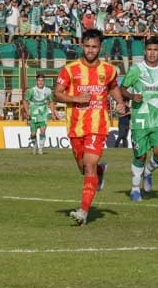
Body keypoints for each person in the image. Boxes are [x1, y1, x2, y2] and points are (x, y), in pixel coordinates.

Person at [54, 29, 125, 226]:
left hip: (98, 125)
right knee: (83, 168)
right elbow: (57, 93)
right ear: (81, 46)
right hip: (76, 127)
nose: (90, 50)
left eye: (94, 46)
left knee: (89, 165)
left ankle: (83, 211)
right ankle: (100, 172)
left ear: (100, 47)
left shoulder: (109, 70)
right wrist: (75, 98)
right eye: (87, 46)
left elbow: (113, 87)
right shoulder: (70, 69)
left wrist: (119, 102)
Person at [120, 38, 158, 201]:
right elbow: (122, 89)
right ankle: (135, 189)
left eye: (155, 50)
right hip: (140, 120)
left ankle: (148, 171)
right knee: (140, 156)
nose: (152, 53)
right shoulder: (136, 69)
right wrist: (131, 96)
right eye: (149, 50)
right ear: (145, 51)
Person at [22, 73, 58, 155]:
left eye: (42, 80)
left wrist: (52, 113)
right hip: (33, 114)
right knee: (33, 133)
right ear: (36, 81)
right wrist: (27, 111)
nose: (40, 82)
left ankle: (40, 149)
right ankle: (35, 145)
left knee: (42, 131)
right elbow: (25, 101)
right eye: (39, 80)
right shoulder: (31, 91)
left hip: (43, 114)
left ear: (44, 81)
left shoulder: (48, 91)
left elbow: (51, 102)